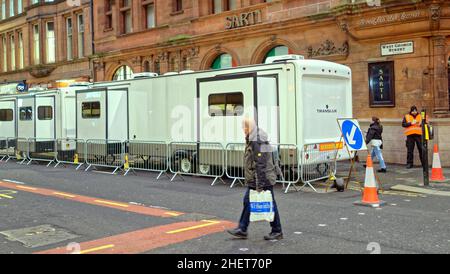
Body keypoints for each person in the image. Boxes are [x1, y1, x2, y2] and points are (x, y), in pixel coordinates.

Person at [227, 118, 283, 241]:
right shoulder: (254, 137)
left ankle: (277, 230)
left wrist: (260, 185)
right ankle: (242, 229)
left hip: (263, 178)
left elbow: (260, 163)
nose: (243, 130)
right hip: (260, 177)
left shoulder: (256, 139)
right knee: (249, 202)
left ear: (249, 127)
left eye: (244, 127)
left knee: (269, 204)